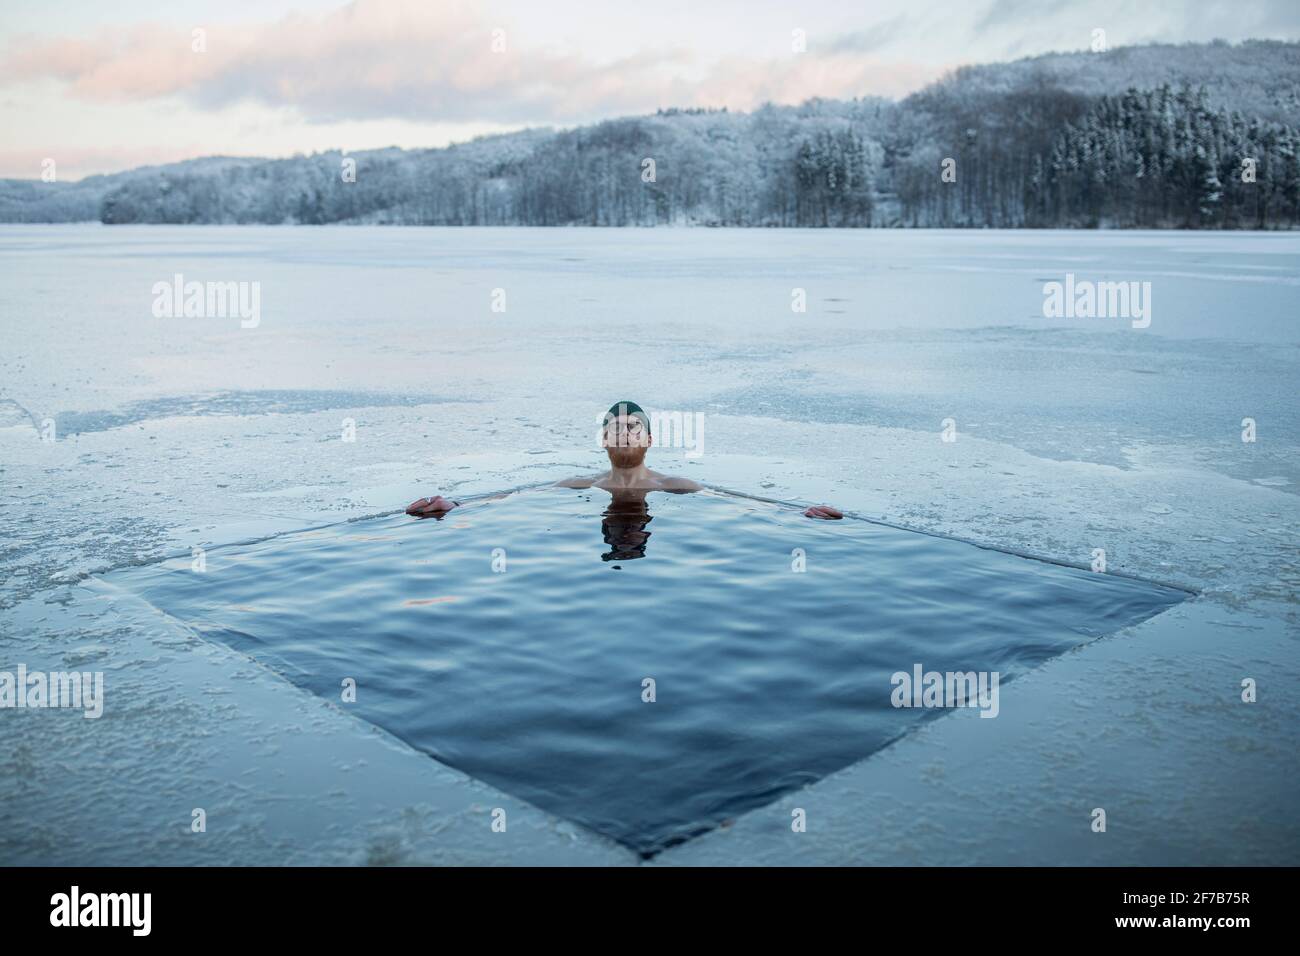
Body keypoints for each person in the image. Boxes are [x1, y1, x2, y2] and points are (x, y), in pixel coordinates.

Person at [406, 401, 843, 520]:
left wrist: (796, 510)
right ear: (602, 440)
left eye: (633, 426)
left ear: (650, 439)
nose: (623, 431)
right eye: (614, 426)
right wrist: (457, 504)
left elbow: (739, 499)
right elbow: (518, 494)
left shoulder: (672, 485)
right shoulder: (586, 484)